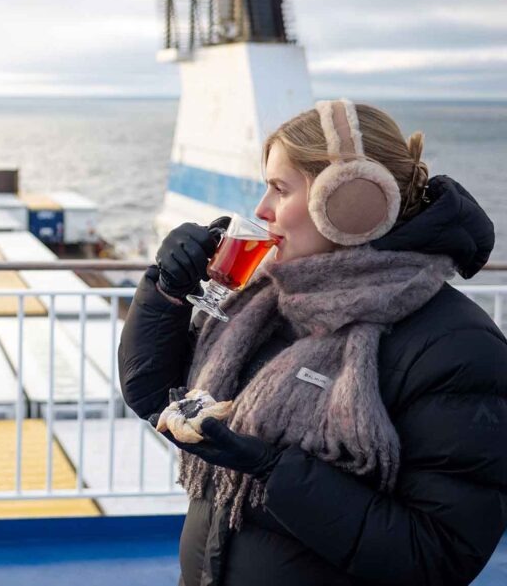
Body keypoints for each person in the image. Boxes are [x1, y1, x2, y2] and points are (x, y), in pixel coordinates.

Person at [118, 99, 507, 585]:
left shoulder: (457, 347)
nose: (261, 209)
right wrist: (166, 291)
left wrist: (274, 471)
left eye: (280, 189)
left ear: (349, 204)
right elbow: (154, 395)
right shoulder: (267, 305)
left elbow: (437, 555)